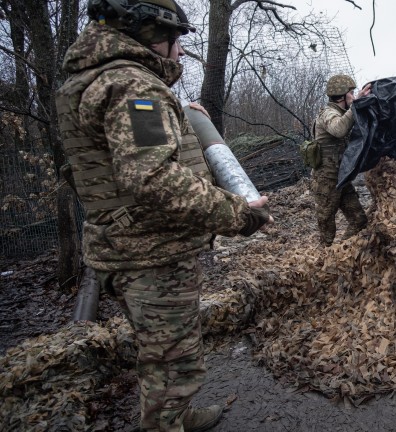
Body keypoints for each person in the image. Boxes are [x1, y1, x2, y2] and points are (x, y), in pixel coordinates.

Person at [55, 1, 272, 430]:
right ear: (154, 33)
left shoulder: (89, 82)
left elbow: (126, 161)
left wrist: (187, 123)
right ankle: (166, 423)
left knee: (160, 353)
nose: (180, 52)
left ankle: (177, 416)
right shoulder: (132, 85)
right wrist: (238, 214)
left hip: (126, 245)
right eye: (177, 41)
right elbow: (153, 179)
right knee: (175, 363)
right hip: (152, 254)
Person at [311, 74, 371, 247]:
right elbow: (339, 130)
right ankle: (324, 262)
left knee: (359, 220)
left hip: (341, 178)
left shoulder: (342, 113)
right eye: (351, 93)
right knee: (327, 233)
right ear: (342, 95)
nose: (353, 96)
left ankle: (339, 254)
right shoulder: (328, 113)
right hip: (326, 181)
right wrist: (356, 105)